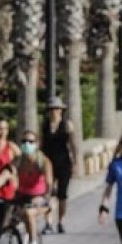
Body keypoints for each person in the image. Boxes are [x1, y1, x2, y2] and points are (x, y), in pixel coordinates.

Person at [0, 130, 53, 244]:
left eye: (30, 141)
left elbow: (49, 183)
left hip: (39, 198)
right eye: (24, 141)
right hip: (21, 196)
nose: (27, 144)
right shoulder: (18, 161)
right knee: (6, 220)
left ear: (37, 144)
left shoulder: (43, 161)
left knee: (29, 213)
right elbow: (5, 175)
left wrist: (44, 198)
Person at [41, 97, 77, 234]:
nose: (53, 112)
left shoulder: (67, 125)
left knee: (62, 194)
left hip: (63, 162)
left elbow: (73, 144)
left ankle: (61, 221)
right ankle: (48, 222)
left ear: (61, 110)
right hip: (48, 162)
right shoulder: (44, 125)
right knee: (48, 192)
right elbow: (41, 144)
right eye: (51, 109)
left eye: (56, 109)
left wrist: (75, 162)